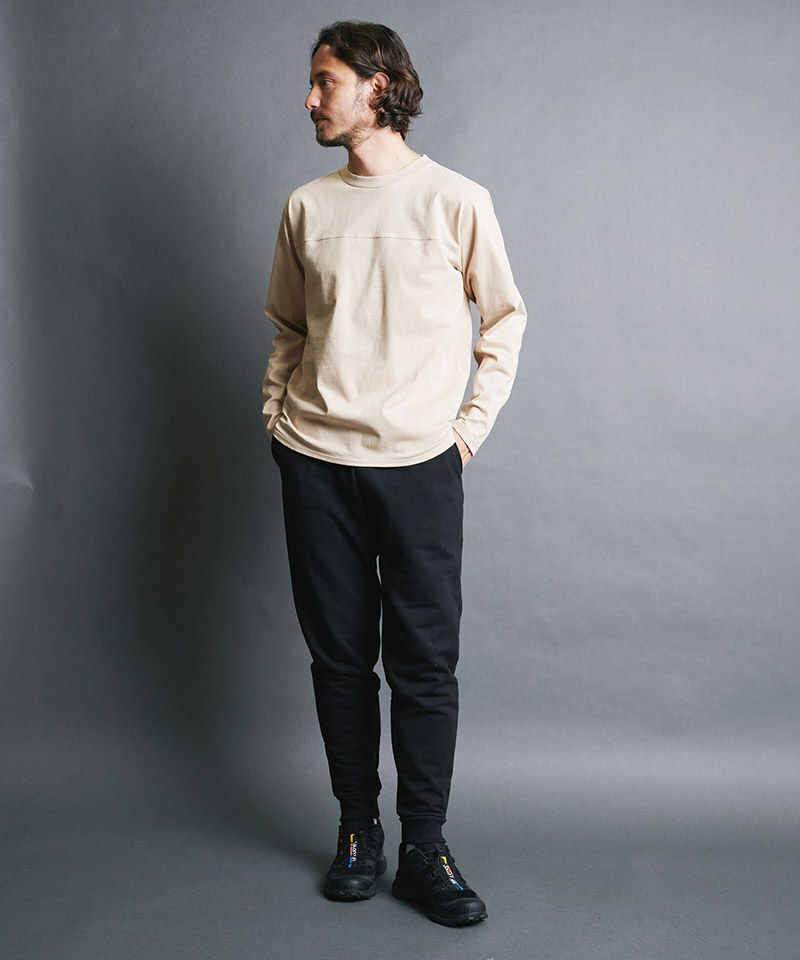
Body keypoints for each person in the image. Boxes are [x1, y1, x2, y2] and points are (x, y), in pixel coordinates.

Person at [261, 20, 527, 928]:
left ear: (378, 87)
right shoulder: (306, 207)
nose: (310, 99)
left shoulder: (456, 200)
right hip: (315, 463)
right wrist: (278, 421)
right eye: (311, 82)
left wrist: (465, 434)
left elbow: (505, 320)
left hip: (420, 468)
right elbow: (288, 328)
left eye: (325, 81)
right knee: (339, 663)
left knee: (424, 667)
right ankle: (356, 832)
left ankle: (425, 849)